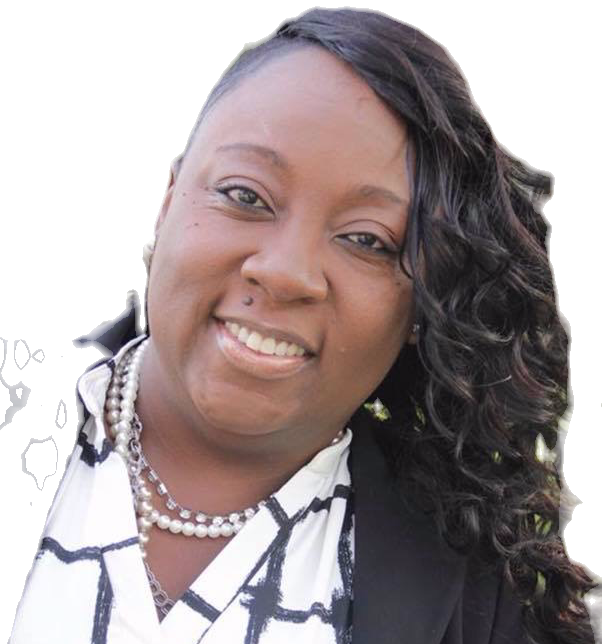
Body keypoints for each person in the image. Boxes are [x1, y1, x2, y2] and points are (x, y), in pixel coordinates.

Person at [10, 8, 600, 644]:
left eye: (367, 240)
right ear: (167, 203)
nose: (287, 274)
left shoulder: (487, 605)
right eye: (245, 195)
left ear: (423, 301)